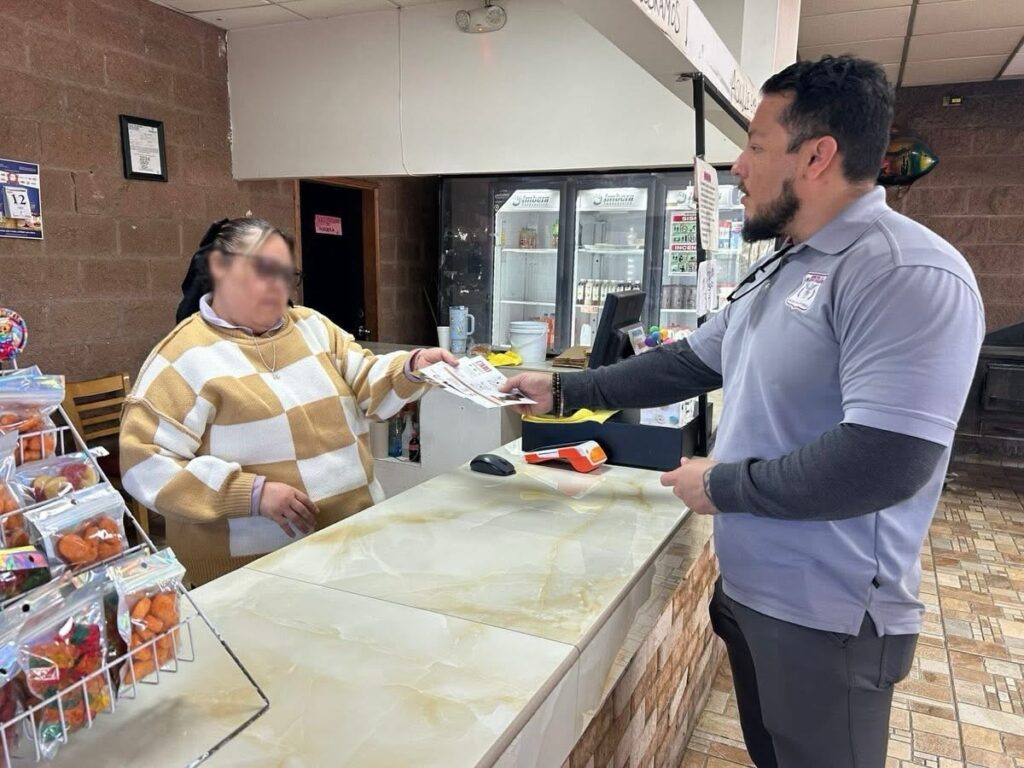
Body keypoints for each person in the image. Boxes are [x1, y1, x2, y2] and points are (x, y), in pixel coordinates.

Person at [504, 56, 984, 767]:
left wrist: (723, 485)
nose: (738, 167)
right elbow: (690, 362)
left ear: (816, 156)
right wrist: (569, 391)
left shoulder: (903, 272)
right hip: (755, 593)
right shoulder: (789, 264)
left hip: (829, 617)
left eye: (756, 145)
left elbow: (886, 461)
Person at [121, 217, 456, 585]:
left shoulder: (312, 326)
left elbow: (365, 378)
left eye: (286, 274)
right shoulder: (183, 357)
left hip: (353, 541)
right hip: (250, 571)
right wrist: (252, 495)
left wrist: (411, 367)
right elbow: (144, 464)